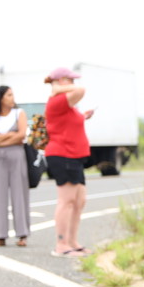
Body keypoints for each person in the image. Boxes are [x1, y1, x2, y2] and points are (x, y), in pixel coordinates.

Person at [44, 67, 94, 257]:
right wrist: (57, 88)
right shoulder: (57, 100)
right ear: (61, 81)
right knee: (67, 201)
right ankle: (61, 244)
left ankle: (72, 241)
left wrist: (83, 116)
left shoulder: (68, 105)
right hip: (63, 155)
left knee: (79, 200)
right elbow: (81, 90)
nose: (73, 83)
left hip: (75, 156)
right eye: (70, 80)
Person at [0, 85, 31, 247]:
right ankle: (0, 236)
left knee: (20, 194)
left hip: (17, 156)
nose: (12, 98)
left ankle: (22, 234)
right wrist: (11, 135)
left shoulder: (19, 113)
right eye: (9, 95)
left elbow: (22, 134)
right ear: (1, 98)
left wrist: (2, 139)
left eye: (12, 95)